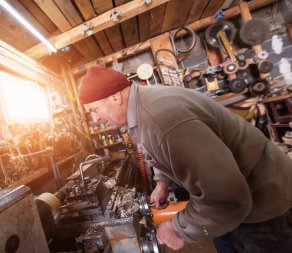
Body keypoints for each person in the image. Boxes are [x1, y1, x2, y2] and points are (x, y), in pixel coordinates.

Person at [78, 66, 292, 253]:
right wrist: (162, 182)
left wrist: (177, 228)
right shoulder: (141, 107)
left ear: (115, 98)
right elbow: (157, 148)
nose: (95, 119)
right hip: (230, 206)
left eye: (94, 110)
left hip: (262, 200)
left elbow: (226, 198)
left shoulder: (162, 119)